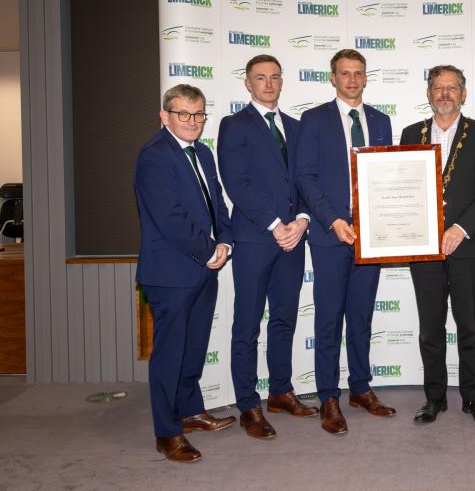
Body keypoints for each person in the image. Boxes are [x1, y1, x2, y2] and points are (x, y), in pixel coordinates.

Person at [295, 49, 395, 435]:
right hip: (329, 233)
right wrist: (332, 219)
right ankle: (328, 396)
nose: (352, 80)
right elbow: (305, 177)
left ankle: (360, 387)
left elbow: (390, 175)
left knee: (361, 316)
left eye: (358, 73)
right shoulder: (315, 119)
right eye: (344, 73)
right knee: (329, 317)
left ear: (366, 78)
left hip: (372, 235)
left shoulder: (382, 121)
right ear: (332, 78)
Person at [218, 55, 318, 441]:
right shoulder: (233, 125)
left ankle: (280, 392)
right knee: (247, 324)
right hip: (256, 238)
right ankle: (248, 403)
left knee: (284, 319)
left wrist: (304, 221)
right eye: (261, 78)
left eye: (275, 77)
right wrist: (276, 225)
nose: (269, 84)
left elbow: (309, 181)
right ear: (248, 83)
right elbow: (236, 183)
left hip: (294, 239)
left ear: (282, 81)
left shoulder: (296, 127)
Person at [134, 84, 235, 462]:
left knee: (193, 349)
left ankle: (191, 411)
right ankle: (167, 432)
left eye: (198, 114)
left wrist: (225, 241)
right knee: (169, 355)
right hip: (171, 274)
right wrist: (210, 250)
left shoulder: (203, 153)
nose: (192, 121)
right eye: (183, 114)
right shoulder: (154, 157)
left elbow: (217, 205)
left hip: (205, 268)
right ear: (165, 116)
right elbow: (170, 219)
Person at [400, 65, 475, 426]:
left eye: (452, 88)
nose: (444, 94)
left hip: (467, 246)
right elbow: (401, 188)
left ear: (463, 93)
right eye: (437, 88)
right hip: (423, 248)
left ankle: (474, 398)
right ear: (428, 94)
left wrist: (461, 228)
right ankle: (434, 398)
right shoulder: (411, 133)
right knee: (430, 327)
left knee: (469, 326)